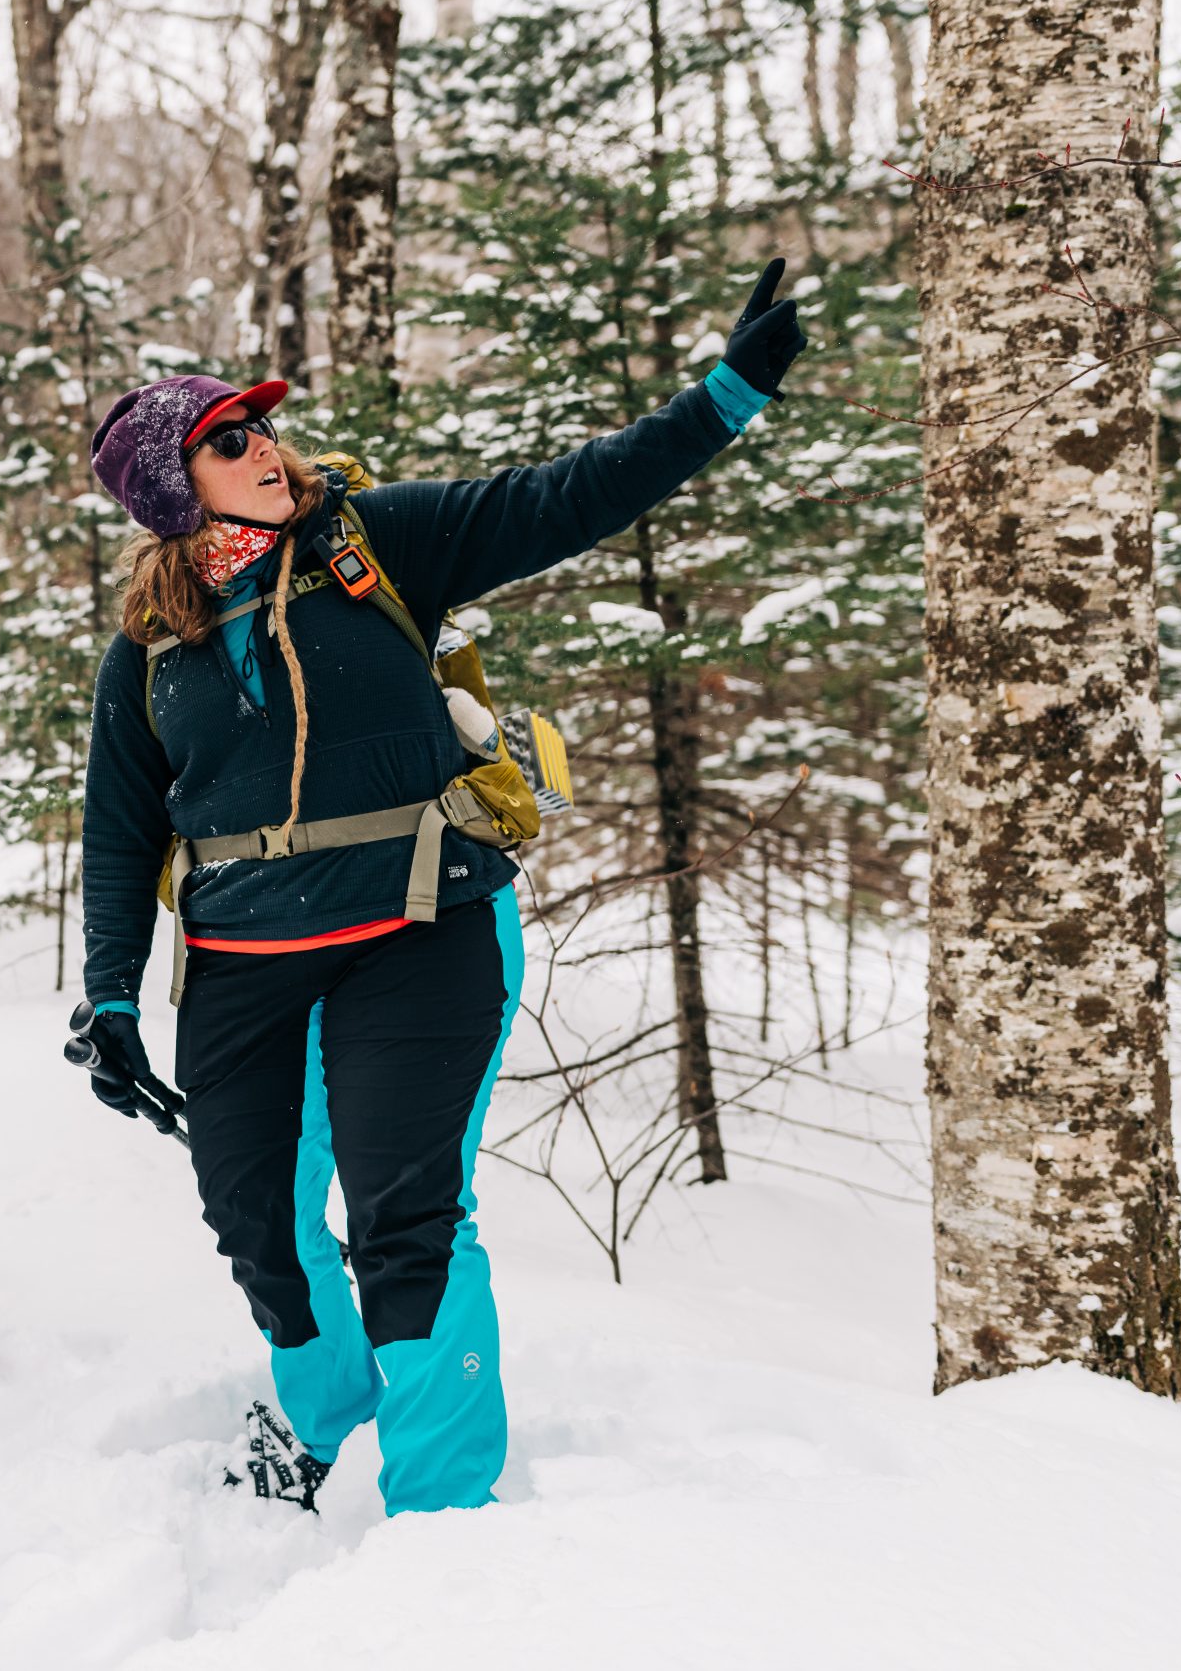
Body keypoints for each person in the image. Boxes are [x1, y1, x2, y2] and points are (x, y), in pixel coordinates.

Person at [71, 261, 809, 1516]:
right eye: (228, 438)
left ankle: (438, 1516)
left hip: (420, 922)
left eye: (260, 425)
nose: (266, 447)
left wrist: (723, 398)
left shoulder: (378, 545)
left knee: (407, 1216)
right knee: (255, 1219)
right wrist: (109, 997)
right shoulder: (146, 650)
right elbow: (118, 827)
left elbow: (559, 500)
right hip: (243, 961)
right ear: (164, 487)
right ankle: (334, 1421)